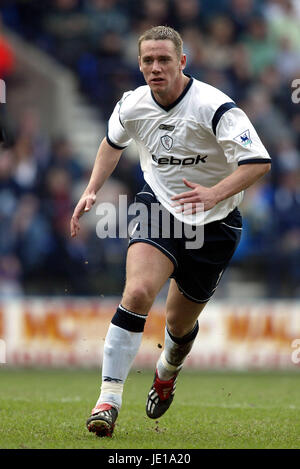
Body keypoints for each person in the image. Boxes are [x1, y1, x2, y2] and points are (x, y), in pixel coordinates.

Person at [70, 26, 271, 437]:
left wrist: (214, 192)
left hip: (215, 225)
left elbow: (258, 162)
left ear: (182, 61)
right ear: (139, 63)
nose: (155, 68)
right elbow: (112, 142)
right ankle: (108, 399)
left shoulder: (215, 106)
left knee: (178, 328)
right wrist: (92, 189)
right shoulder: (132, 105)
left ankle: (167, 371)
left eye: (164, 60)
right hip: (160, 210)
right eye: (148, 60)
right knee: (139, 292)